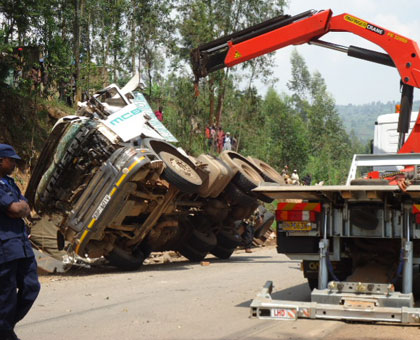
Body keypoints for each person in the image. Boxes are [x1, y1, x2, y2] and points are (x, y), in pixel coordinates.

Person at [0, 144, 40, 340]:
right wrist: (19, 208)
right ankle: (5, 331)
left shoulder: (9, 182)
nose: (15, 164)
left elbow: (24, 206)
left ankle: (5, 327)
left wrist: (20, 208)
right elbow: (16, 210)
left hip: (21, 245)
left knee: (31, 287)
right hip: (5, 249)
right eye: (11, 160)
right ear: (0, 160)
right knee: (6, 296)